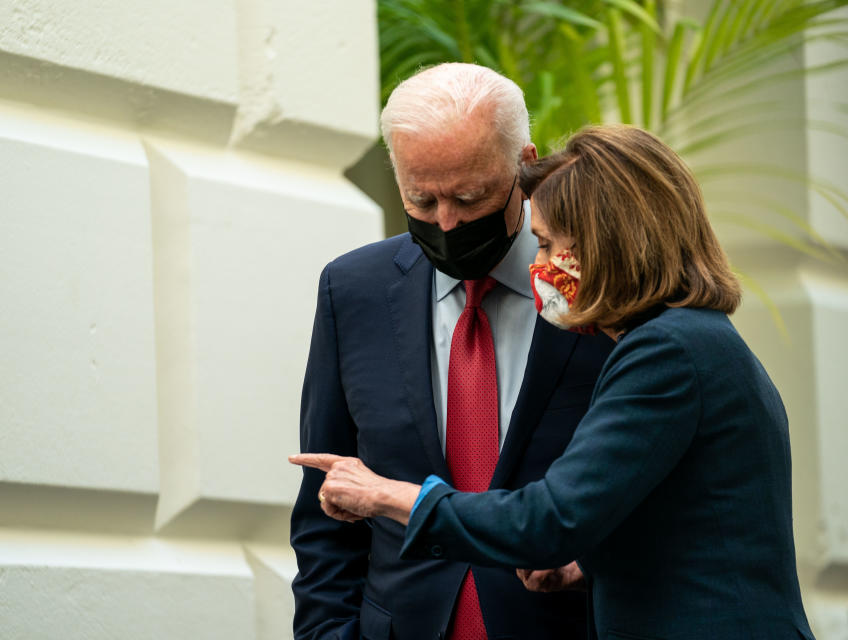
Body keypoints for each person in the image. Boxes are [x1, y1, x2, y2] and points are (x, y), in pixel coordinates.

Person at [292, 125, 816, 639]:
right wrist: (585, 567)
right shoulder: (692, 340)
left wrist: (384, 494)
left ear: (605, 246)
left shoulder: (667, 352)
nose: (537, 266)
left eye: (545, 245)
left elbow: (547, 520)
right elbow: (694, 521)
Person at [290, 63, 615, 639]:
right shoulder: (353, 290)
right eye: (421, 200)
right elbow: (327, 506)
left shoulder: (598, 285)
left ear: (525, 163)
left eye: (470, 196)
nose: (447, 221)